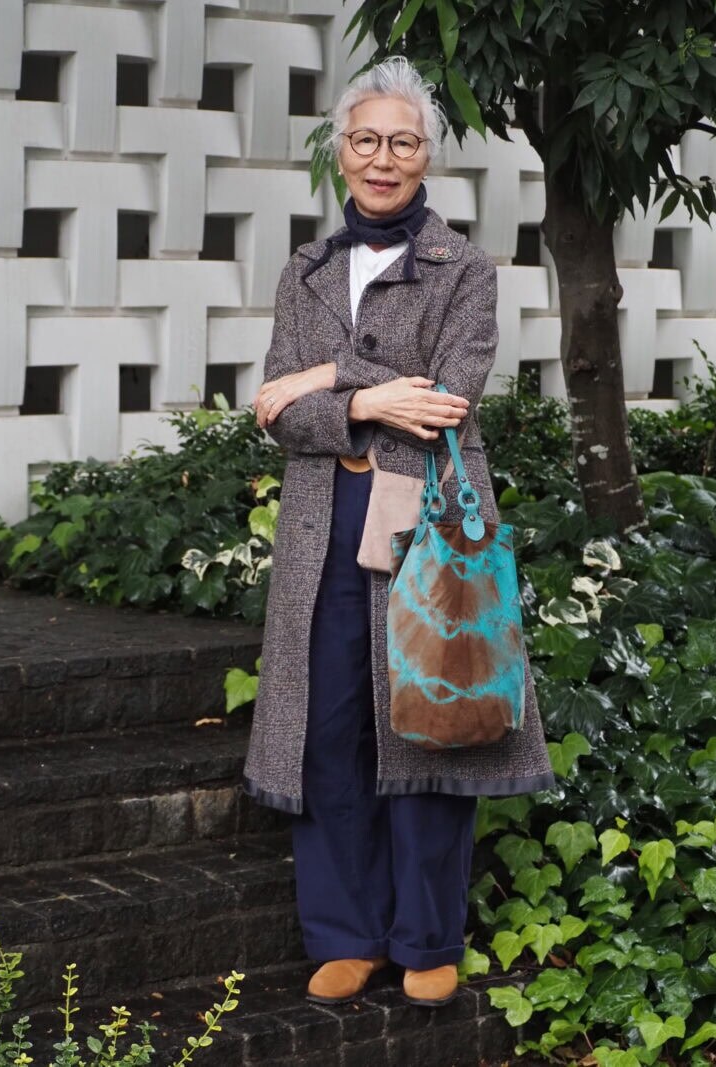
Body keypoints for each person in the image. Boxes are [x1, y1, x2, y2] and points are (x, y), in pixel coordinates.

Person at [244, 56, 554, 1008]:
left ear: (427, 158)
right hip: (322, 526)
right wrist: (360, 397)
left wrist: (324, 378)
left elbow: (448, 398)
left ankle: (426, 936)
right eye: (367, 140)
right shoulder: (306, 270)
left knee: (430, 718)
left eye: (404, 143)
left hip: (430, 522)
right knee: (329, 725)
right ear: (341, 152)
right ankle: (347, 933)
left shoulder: (465, 269)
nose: (384, 159)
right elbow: (275, 414)